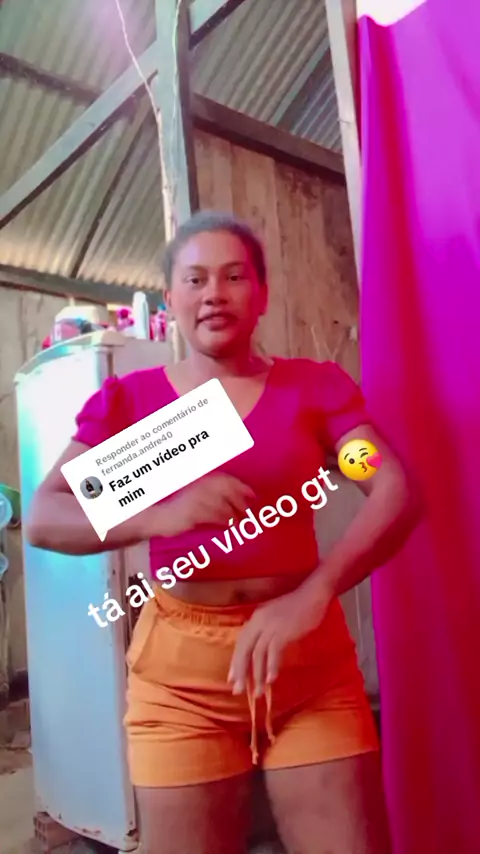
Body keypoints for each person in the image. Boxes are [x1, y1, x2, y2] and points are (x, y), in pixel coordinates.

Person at [26, 211, 418, 854]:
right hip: (180, 685)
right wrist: (159, 515)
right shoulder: (133, 404)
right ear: (171, 299)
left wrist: (314, 594)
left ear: (261, 295)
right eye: (196, 279)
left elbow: (388, 486)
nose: (214, 293)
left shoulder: (314, 393)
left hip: (308, 672)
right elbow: (48, 516)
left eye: (234, 277)